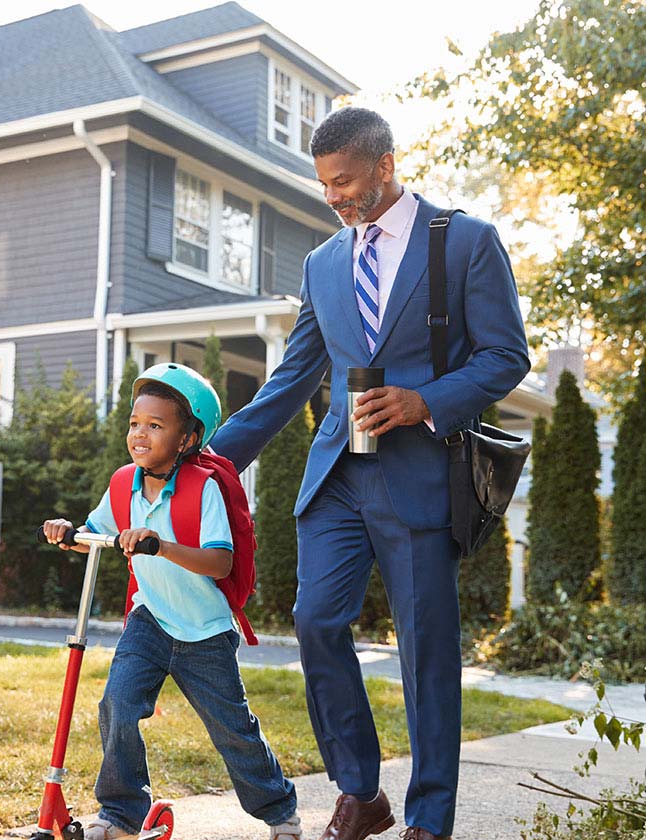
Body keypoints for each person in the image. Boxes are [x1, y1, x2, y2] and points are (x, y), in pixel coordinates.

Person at [209, 107, 530, 840]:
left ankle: (429, 818)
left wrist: (426, 401)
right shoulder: (324, 262)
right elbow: (290, 378)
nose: (335, 198)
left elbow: (507, 356)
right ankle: (360, 791)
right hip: (339, 479)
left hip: (420, 481)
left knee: (425, 652)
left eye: (345, 181)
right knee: (315, 621)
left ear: (385, 165)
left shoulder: (465, 242)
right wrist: (209, 460)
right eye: (325, 186)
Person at [43, 363, 301, 840]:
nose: (140, 435)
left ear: (187, 440)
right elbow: (95, 534)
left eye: (156, 426)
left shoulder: (204, 489)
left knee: (232, 730)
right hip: (150, 619)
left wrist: (159, 544)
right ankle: (121, 814)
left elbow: (220, 563)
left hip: (204, 631)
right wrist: (67, 534)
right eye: (135, 424)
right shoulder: (124, 483)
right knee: (118, 705)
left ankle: (280, 810)